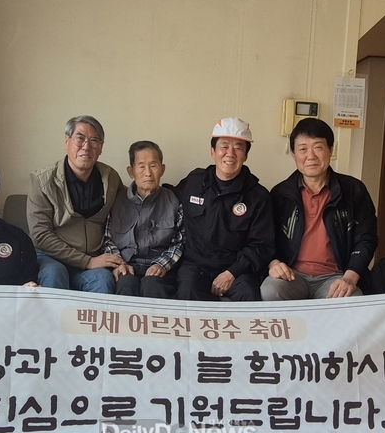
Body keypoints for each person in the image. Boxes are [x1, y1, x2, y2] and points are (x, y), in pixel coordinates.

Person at [260, 117, 377, 300]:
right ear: (293, 154)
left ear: (331, 150)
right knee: (270, 290)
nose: (311, 156)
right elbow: (264, 238)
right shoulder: (281, 194)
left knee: (351, 300)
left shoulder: (353, 190)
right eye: (303, 149)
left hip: (336, 276)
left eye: (318, 147)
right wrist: (273, 264)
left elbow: (366, 238)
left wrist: (350, 277)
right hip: (292, 275)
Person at [170, 117, 274, 301]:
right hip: (195, 266)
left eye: (238, 148)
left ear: (246, 155)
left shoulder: (258, 196)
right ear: (212, 151)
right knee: (187, 293)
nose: (230, 153)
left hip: (237, 270)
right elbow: (166, 199)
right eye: (224, 146)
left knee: (248, 296)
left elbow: (261, 245)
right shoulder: (194, 182)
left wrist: (232, 273)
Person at [27, 115, 124, 293]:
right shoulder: (42, 181)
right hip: (52, 258)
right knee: (54, 274)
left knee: (103, 280)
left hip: (94, 257)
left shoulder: (110, 178)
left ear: (101, 147)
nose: (86, 147)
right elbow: (40, 235)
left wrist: (118, 260)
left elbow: (128, 212)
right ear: (67, 142)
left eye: (94, 140)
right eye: (80, 138)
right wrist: (87, 261)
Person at [102, 141, 184, 298]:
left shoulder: (173, 200)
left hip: (161, 268)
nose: (148, 173)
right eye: (141, 166)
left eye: (153, 166)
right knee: (126, 284)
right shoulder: (117, 201)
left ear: (162, 169)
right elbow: (107, 239)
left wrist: (162, 265)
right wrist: (119, 264)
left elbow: (179, 242)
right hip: (126, 265)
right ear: (131, 171)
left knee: (152, 285)